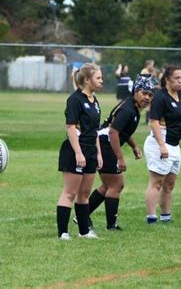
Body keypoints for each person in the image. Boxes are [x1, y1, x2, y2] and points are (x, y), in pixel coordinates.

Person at [84, 76, 154, 230]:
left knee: (108, 185)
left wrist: (134, 146)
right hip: (104, 143)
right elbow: (113, 132)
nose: (147, 97)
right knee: (116, 184)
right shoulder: (128, 109)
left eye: (150, 94)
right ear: (135, 91)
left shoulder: (133, 108)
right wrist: (120, 158)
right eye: (144, 93)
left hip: (105, 143)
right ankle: (111, 225)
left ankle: (82, 215)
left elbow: (123, 131)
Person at [56, 63, 103, 240]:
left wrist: (98, 153)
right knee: (70, 193)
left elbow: (94, 130)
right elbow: (70, 128)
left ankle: (84, 231)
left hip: (90, 151)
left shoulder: (94, 99)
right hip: (75, 151)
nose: (101, 81)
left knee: (84, 194)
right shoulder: (75, 99)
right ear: (86, 80)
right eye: (98, 78)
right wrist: (78, 153)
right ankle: (63, 233)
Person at [144, 66, 181, 224]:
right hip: (160, 142)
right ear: (167, 79)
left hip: (174, 144)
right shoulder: (160, 97)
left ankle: (166, 216)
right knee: (156, 182)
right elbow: (154, 122)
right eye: (177, 78)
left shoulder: (179, 96)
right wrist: (162, 145)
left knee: (169, 184)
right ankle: (151, 217)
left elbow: (178, 121)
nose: (180, 81)